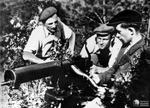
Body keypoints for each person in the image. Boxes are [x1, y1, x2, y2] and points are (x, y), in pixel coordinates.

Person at [91, 10, 150, 88]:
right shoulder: (124, 47)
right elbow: (113, 69)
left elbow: (139, 85)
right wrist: (99, 78)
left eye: (119, 32)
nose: (117, 36)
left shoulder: (145, 52)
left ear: (131, 31)